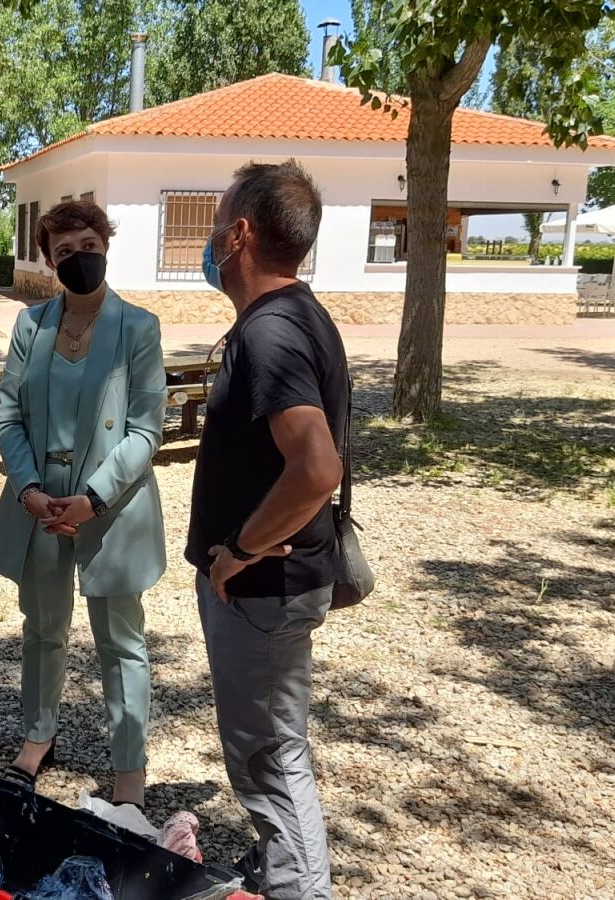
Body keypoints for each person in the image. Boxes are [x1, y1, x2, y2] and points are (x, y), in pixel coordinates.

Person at [188, 161, 348, 900]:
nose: (211, 237)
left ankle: (299, 889)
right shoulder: (297, 316)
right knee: (273, 749)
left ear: (241, 234)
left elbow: (316, 467)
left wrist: (240, 551)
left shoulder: (273, 331)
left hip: (262, 588)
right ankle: (278, 870)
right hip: (273, 585)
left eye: (218, 222)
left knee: (269, 762)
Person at [0, 200, 167, 808]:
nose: (78, 258)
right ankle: (39, 736)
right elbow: (9, 416)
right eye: (64, 251)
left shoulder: (138, 327)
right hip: (39, 502)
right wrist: (28, 490)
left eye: (88, 245)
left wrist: (93, 498)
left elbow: (146, 430)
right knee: (42, 627)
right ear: (49, 260)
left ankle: (129, 768)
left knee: (121, 640)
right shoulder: (30, 326)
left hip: (109, 506)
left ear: (105, 245)